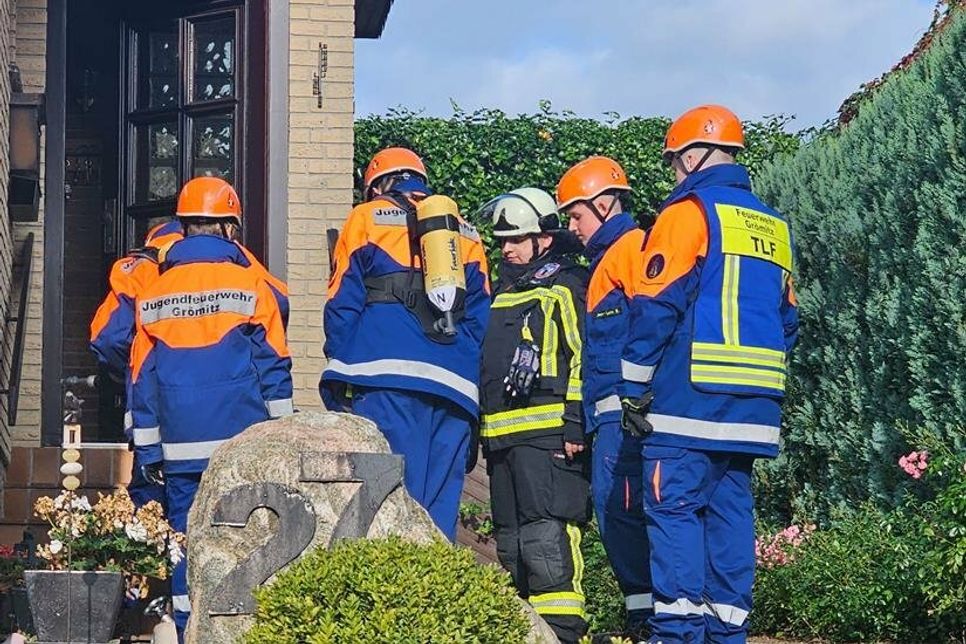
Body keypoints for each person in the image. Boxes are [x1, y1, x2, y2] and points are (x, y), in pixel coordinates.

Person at [620, 105, 799, 643]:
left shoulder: (687, 214)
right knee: (730, 522)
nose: (675, 173)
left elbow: (655, 308)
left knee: (673, 516)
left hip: (688, 405)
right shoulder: (772, 225)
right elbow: (788, 320)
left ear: (693, 156)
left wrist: (631, 388)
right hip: (753, 412)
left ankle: (675, 638)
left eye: (675, 162)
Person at [128, 176, 293, 640]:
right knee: (249, 542)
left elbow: (142, 384)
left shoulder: (154, 294)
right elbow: (274, 368)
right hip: (241, 449)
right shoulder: (250, 286)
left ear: (183, 228)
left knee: (185, 546)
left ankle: (187, 632)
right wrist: (281, 437)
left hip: (179, 453)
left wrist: (149, 456)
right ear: (227, 229)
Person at [320, 147, 491, 540]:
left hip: (386, 378)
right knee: (437, 514)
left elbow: (343, 302)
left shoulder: (366, 218)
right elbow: (481, 316)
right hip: (455, 387)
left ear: (379, 185)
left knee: (388, 504)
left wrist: (339, 379)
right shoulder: (463, 231)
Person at [478, 187, 590, 643]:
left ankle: (563, 633)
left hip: (549, 440)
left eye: (516, 239)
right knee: (511, 544)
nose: (506, 248)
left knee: (548, 541)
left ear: (544, 238)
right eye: (502, 240)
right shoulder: (504, 290)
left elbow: (583, 356)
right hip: (503, 440)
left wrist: (575, 422)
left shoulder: (565, 285)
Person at [555, 156, 653, 637]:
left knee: (626, 514)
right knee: (618, 516)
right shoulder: (604, 262)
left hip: (627, 416)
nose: (573, 226)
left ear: (605, 203)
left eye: (576, 215)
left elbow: (650, 331)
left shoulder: (632, 251)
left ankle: (648, 619)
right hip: (609, 416)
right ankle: (642, 615)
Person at [90, 219, 183, 508]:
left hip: (151, 410)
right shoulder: (231, 269)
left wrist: (129, 373)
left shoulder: (140, 269)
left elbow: (108, 338)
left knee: (151, 511)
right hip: (218, 413)